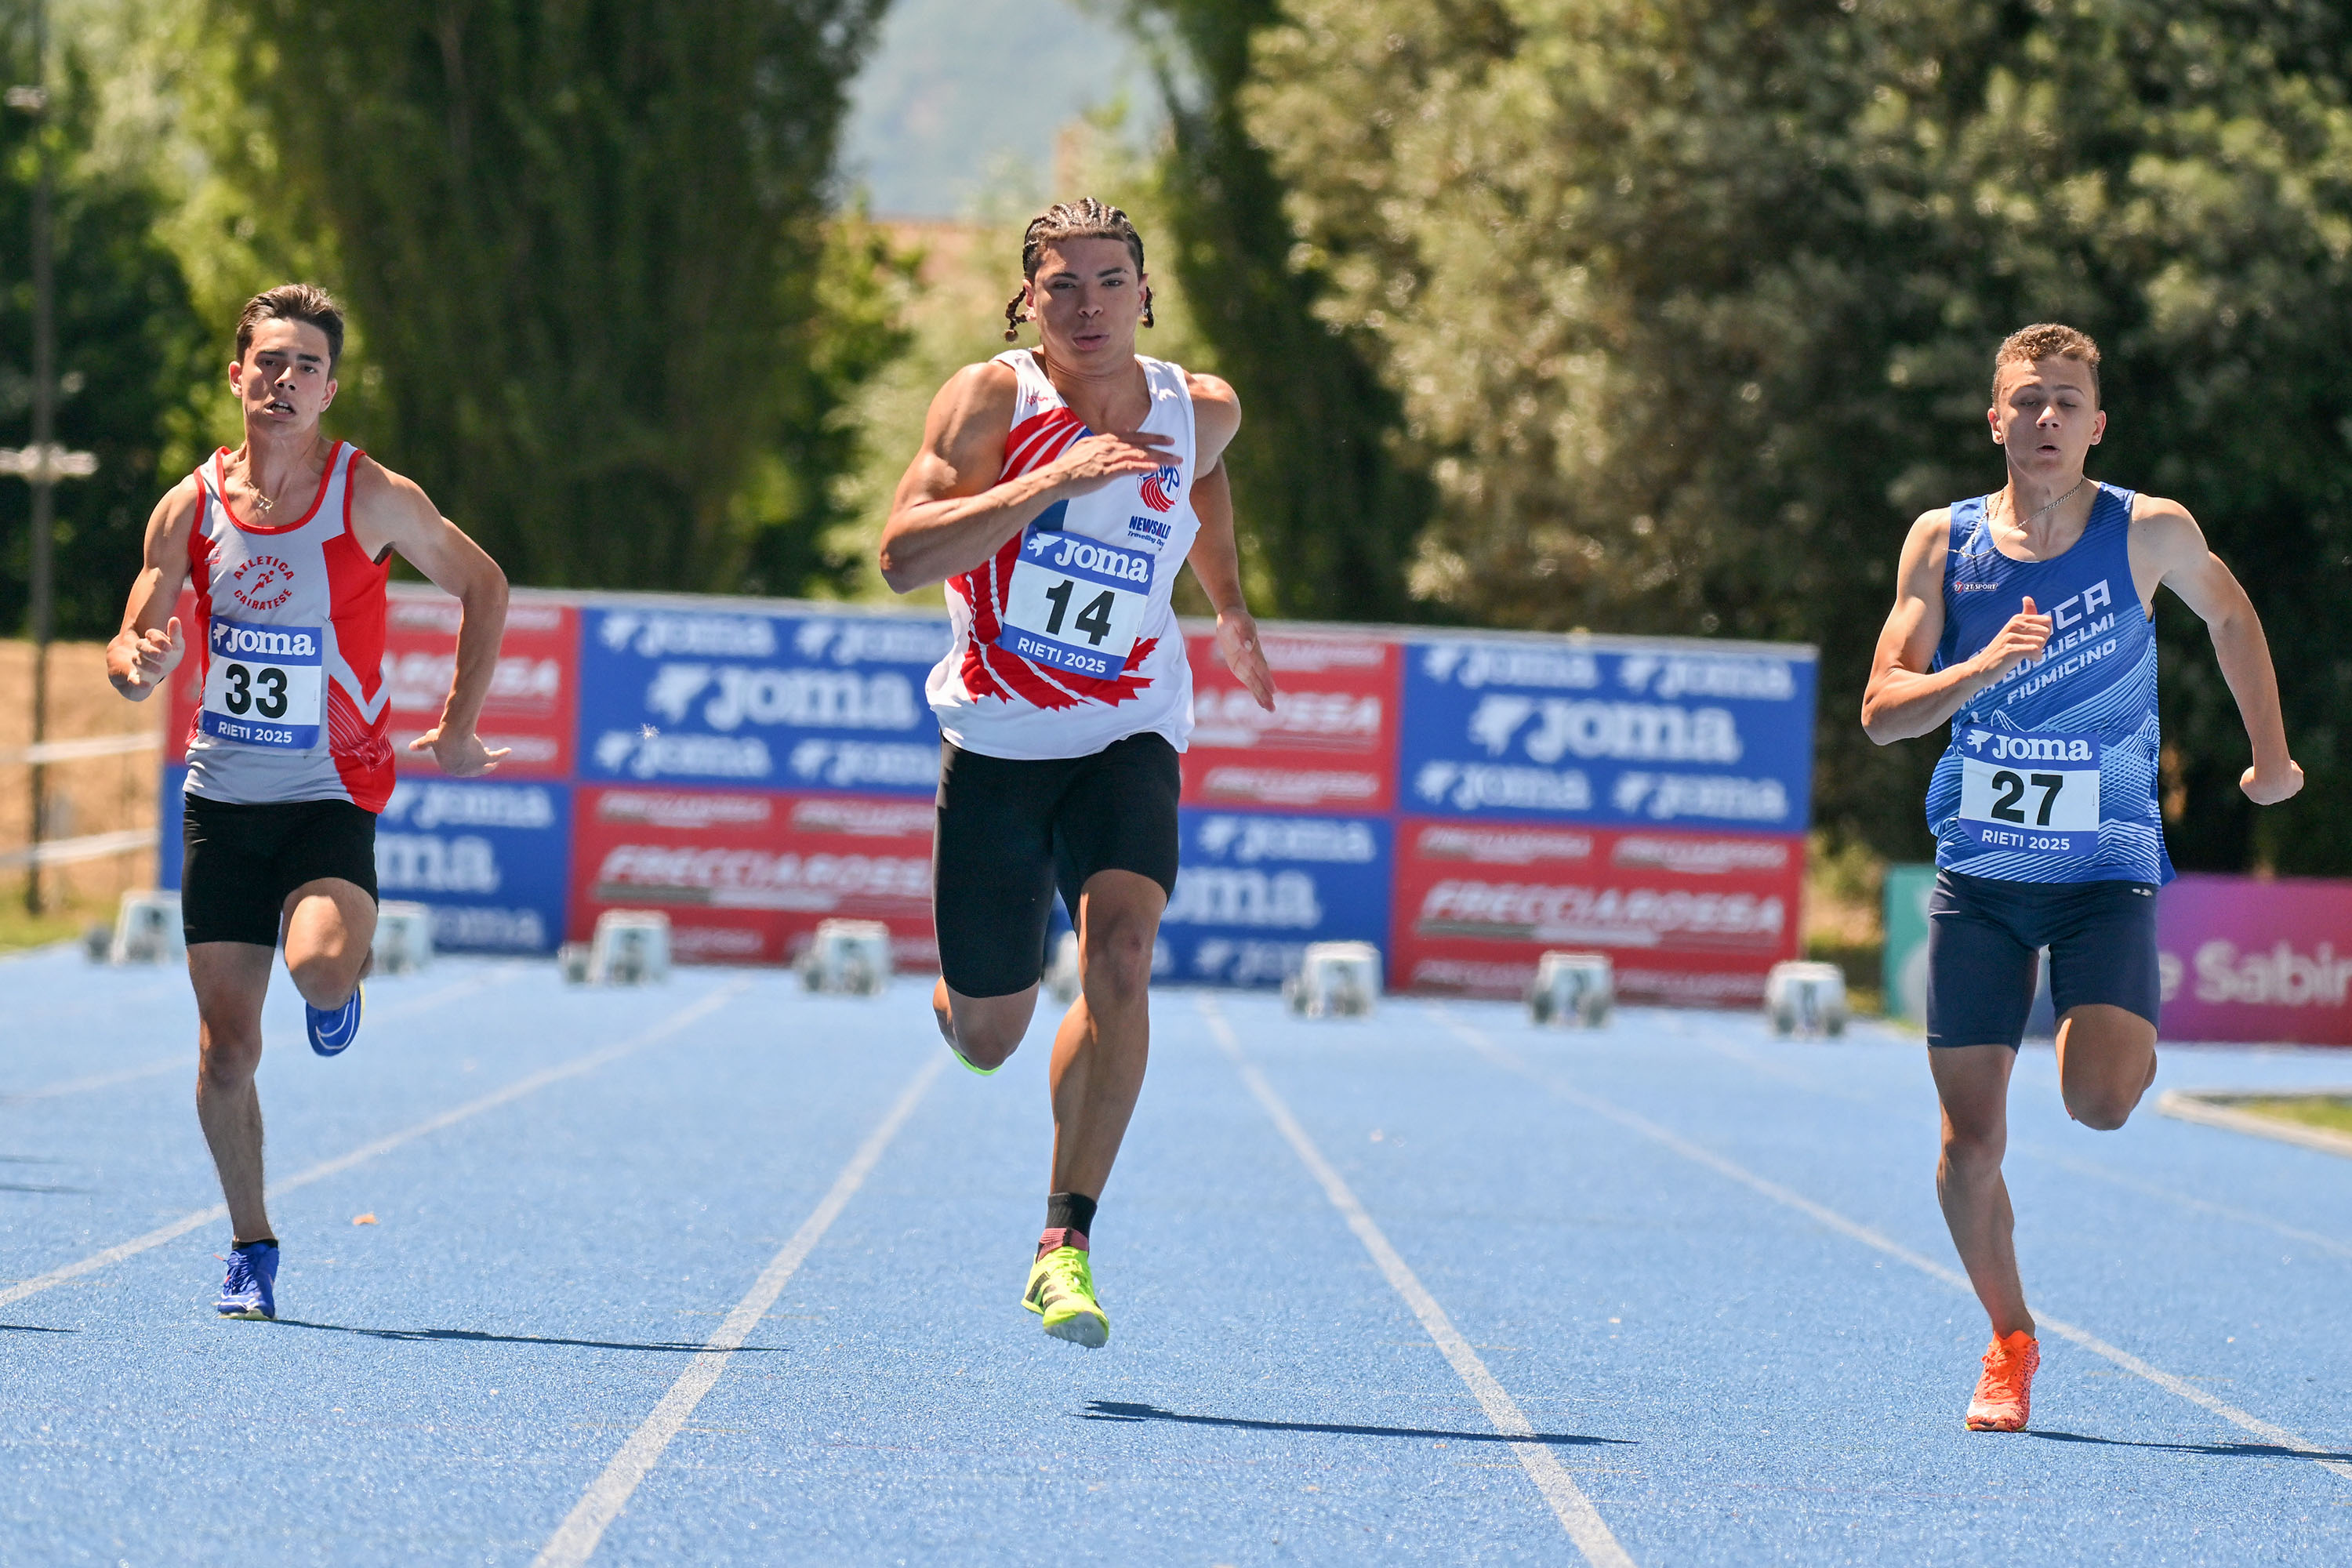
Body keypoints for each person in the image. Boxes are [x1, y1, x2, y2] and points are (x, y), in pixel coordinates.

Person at [1861, 323, 2302, 1431]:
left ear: (2097, 425)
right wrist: (1980, 666)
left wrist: (2270, 758)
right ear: (1996, 421)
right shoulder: (1943, 543)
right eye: (2028, 400)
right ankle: (2009, 1339)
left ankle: (2109, 1029)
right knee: (1968, 1148)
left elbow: (2232, 615)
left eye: (2067, 400)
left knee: (2099, 1103)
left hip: (2104, 872)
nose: (2047, 417)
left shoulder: (2148, 531)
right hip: (1980, 875)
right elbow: (1881, 714)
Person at [879, 198, 1276, 1348]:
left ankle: (1064, 1242)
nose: (1089, 305)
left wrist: (1229, 605)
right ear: (1028, 300)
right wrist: (1047, 484)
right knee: (990, 1036)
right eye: (1063, 285)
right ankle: (966, 996)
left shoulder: (1201, 407)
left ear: (1145, 295)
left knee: (1122, 957)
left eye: (1111, 283)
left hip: (1128, 733)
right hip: (999, 748)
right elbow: (903, 556)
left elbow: (1202, 480)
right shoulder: (990, 401)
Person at [105, 285, 510, 1320]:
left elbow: (483, 584)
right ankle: (251, 1246)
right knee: (227, 1052)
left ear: (331, 390)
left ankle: (339, 993)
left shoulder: (367, 494)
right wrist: (137, 664)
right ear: (237, 375)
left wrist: (458, 724)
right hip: (222, 799)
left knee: (320, 969)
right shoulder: (190, 506)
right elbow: (136, 629)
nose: (285, 381)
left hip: (332, 787)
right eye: (270, 363)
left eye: (307, 368)